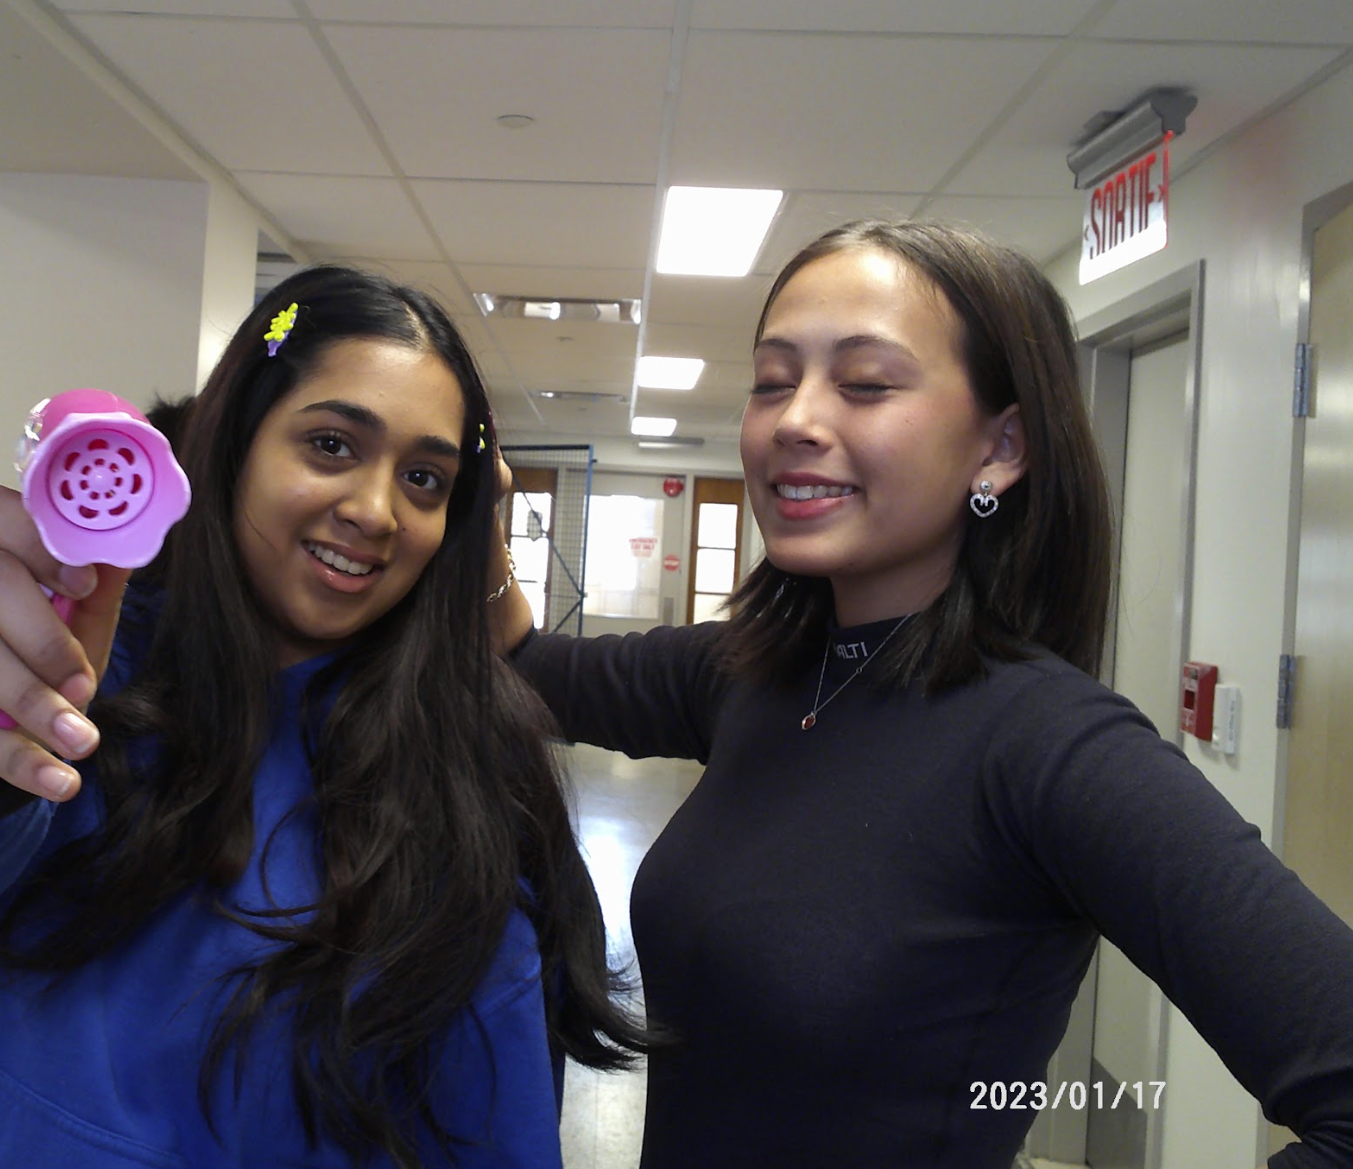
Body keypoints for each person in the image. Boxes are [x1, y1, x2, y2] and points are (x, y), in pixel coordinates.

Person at [494, 220, 1353, 1168]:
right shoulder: (755, 673)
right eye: (773, 380)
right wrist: (466, 505)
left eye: (864, 383)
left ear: (1002, 447)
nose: (794, 420)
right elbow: (524, 669)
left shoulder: (1050, 745)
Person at [0, 266, 647, 1168]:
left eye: (426, 478)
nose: (375, 510)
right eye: (329, 445)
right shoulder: (70, 675)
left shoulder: (469, 764)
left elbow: (494, 1118)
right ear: (232, 441)